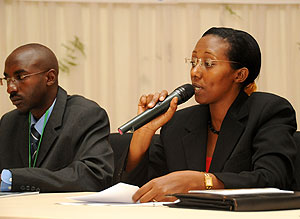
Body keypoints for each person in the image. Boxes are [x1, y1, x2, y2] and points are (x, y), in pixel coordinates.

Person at [118, 27, 297, 202]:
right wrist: (142, 134)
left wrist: (204, 182)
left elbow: (273, 179)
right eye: (193, 62)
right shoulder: (178, 123)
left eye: (208, 64)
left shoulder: (268, 111)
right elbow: (139, 192)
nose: (195, 72)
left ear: (240, 75)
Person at [0, 43, 113, 192]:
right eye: (7, 79)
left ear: (50, 77)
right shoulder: (9, 122)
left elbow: (95, 176)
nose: (10, 89)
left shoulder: (85, 115)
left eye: (20, 77)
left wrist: (13, 179)